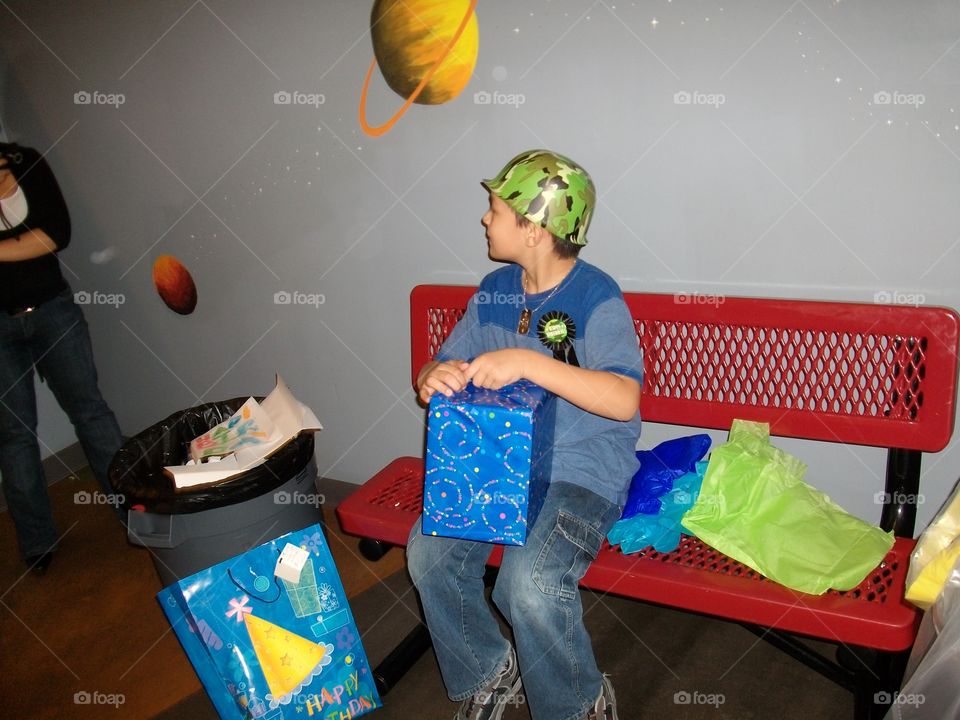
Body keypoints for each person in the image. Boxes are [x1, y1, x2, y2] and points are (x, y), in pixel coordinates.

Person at [408, 149, 643, 720]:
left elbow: (624, 399)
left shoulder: (596, 298)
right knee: (428, 555)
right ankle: (488, 671)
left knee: (528, 587)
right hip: (500, 465)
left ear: (534, 230)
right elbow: (446, 362)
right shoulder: (494, 289)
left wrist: (529, 362)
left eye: (494, 209)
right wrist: (431, 375)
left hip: (580, 473)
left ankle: (580, 703)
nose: (485, 220)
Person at [0, 141, 124, 573]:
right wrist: (22, 243)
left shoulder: (26, 161)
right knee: (15, 437)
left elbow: (56, 235)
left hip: (53, 311)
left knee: (92, 412)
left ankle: (137, 516)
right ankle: (37, 544)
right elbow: (38, 239)